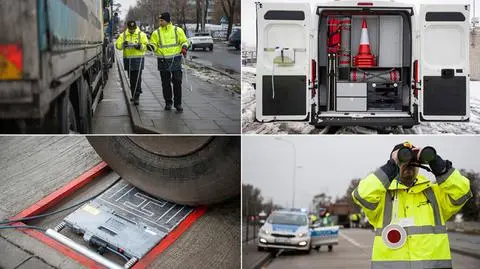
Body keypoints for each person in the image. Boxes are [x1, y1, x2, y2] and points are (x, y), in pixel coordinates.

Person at [352, 142, 472, 269]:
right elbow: (361, 195)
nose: (408, 165)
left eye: (413, 160)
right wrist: (391, 166)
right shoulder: (382, 196)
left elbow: (462, 192)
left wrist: (441, 168)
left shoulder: (435, 194)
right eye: (403, 159)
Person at [148, 12, 189, 112]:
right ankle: (168, 103)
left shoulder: (177, 30)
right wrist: (151, 47)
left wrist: (184, 47)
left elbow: (184, 41)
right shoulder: (156, 33)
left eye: (162, 20)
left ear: (167, 20)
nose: (160, 22)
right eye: (159, 20)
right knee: (165, 83)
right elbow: (154, 44)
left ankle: (178, 104)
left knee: (177, 82)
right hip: (163, 60)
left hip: (176, 59)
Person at [115, 20, 148, 105]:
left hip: (138, 59)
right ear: (128, 27)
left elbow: (146, 46)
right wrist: (123, 44)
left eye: (133, 29)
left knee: (137, 78)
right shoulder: (124, 35)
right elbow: (118, 45)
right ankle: (134, 94)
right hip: (128, 60)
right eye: (130, 29)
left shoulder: (142, 35)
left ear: (135, 27)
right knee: (131, 79)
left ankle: (136, 96)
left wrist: (140, 46)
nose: (132, 31)